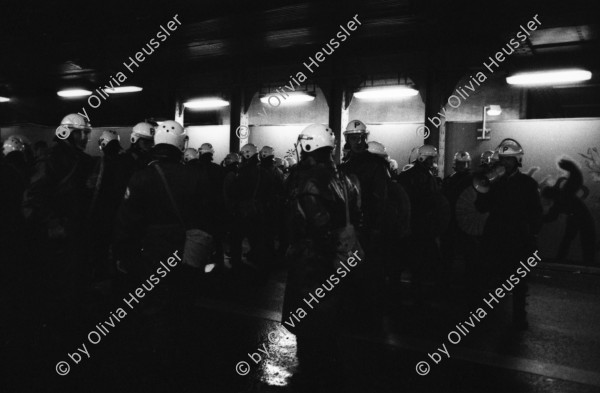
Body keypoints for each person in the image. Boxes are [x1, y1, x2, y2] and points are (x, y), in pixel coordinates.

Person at [114, 120, 211, 386]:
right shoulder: (196, 175)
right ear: (181, 144)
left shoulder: (142, 176)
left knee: (155, 306)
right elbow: (207, 217)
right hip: (187, 250)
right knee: (183, 302)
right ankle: (180, 362)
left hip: (153, 251)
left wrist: (123, 254)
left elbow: (127, 220)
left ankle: (158, 365)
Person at [283, 123, 361, 392]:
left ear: (306, 146)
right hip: (341, 257)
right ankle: (333, 372)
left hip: (312, 262)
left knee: (308, 323)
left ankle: (314, 377)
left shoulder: (307, 181)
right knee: (332, 321)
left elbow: (313, 226)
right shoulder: (346, 177)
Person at [475, 138, 542, 329]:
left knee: (518, 281)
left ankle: (519, 317)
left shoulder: (527, 183)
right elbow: (481, 207)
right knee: (491, 277)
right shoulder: (494, 182)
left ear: (517, 161)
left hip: (517, 237)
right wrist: (484, 189)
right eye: (503, 159)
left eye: (509, 159)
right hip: (495, 236)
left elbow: (536, 212)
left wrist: (533, 234)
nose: (505, 163)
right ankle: (489, 317)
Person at [397, 145, 450, 304]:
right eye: (431, 158)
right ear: (423, 158)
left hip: (417, 226)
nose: (433, 161)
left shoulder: (411, 175)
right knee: (423, 262)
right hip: (421, 226)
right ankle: (422, 297)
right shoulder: (423, 176)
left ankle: (418, 294)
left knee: (418, 263)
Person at [542, 159, 596, 265]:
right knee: (575, 239)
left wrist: (537, 218)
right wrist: (570, 167)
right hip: (579, 217)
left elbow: (551, 217)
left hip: (580, 217)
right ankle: (565, 259)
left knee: (575, 239)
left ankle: (562, 259)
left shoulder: (563, 195)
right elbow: (576, 177)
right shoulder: (562, 195)